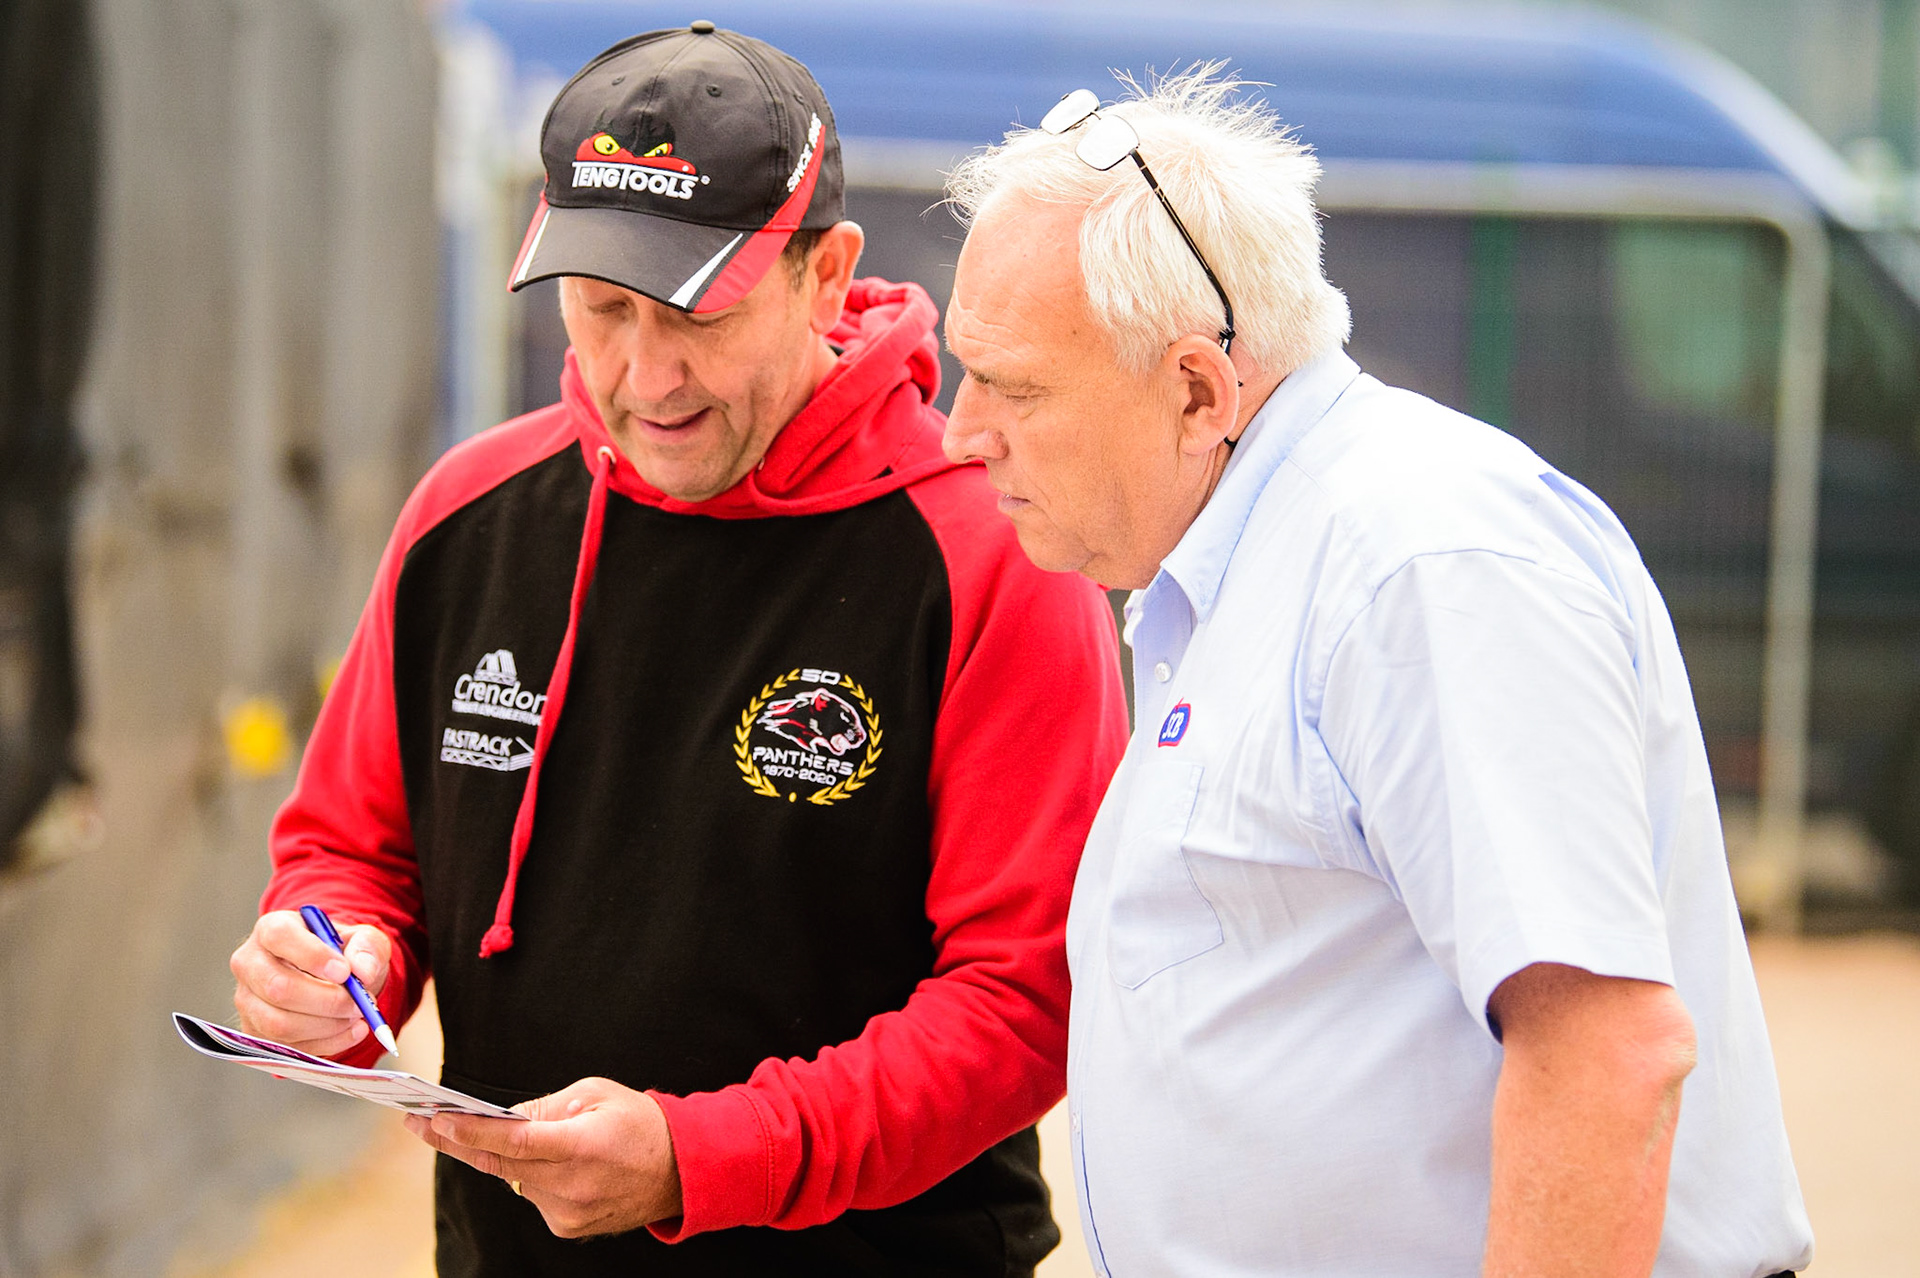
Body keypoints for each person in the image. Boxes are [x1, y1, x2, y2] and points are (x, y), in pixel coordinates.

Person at [228, 25, 1128, 1276]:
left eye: (695, 313)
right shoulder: (469, 512)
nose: (643, 376)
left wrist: (697, 1160)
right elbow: (349, 850)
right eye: (601, 310)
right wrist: (338, 959)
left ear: (827, 276)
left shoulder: (994, 550)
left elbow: (1024, 1002)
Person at [941, 68, 1813, 1276]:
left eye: (1013, 385)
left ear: (1197, 388)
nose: (962, 430)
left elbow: (1607, 1052)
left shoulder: (1421, 563)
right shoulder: (1270, 555)